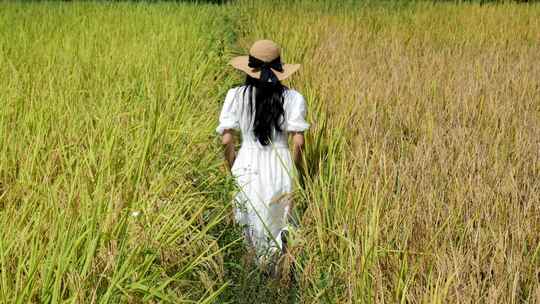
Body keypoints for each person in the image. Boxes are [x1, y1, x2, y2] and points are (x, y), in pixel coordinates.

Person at [216, 40, 310, 264]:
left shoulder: (235, 96)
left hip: (247, 163)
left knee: (247, 222)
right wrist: (295, 169)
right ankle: (279, 279)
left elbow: (226, 139)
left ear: (250, 70)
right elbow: (298, 143)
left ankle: (249, 278)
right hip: (281, 164)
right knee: (280, 226)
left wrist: (232, 165)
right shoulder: (294, 98)